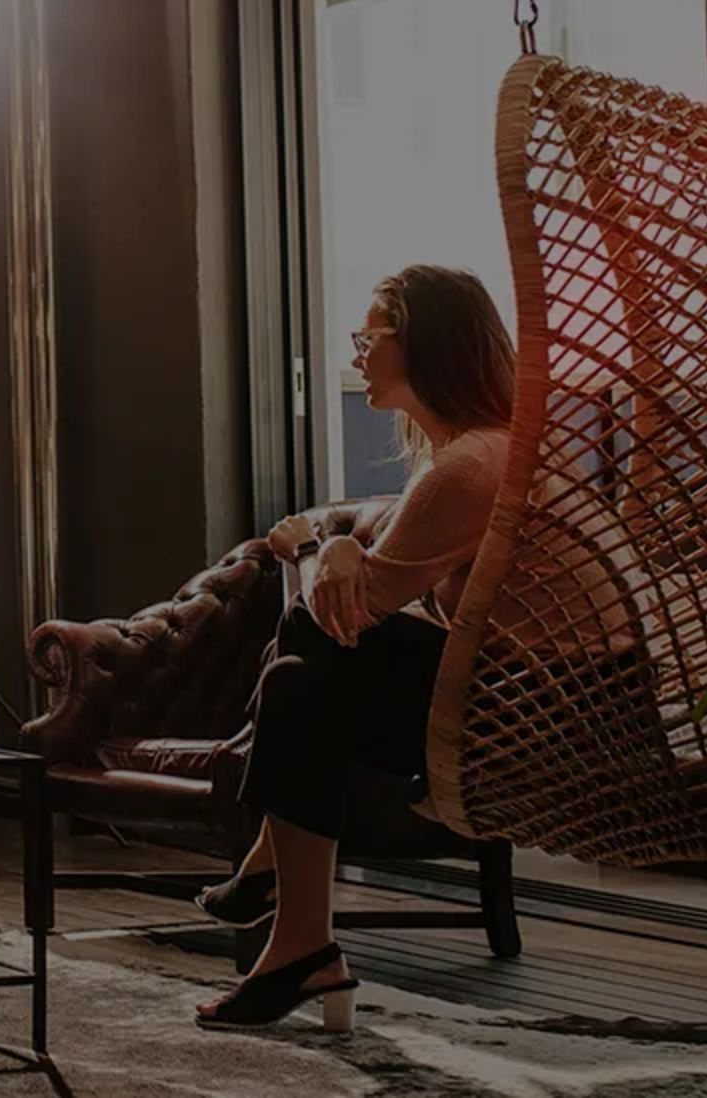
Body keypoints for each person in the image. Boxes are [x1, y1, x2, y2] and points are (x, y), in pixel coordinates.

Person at [197, 265, 546, 1029]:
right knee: (299, 686)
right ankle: (300, 945)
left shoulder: (466, 467)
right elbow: (355, 597)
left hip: (531, 715)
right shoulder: (479, 452)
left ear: (423, 344)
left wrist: (312, 549)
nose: (357, 354)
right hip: (510, 690)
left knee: (300, 673)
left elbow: (343, 617)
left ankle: (292, 924)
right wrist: (337, 549)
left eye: (370, 337)